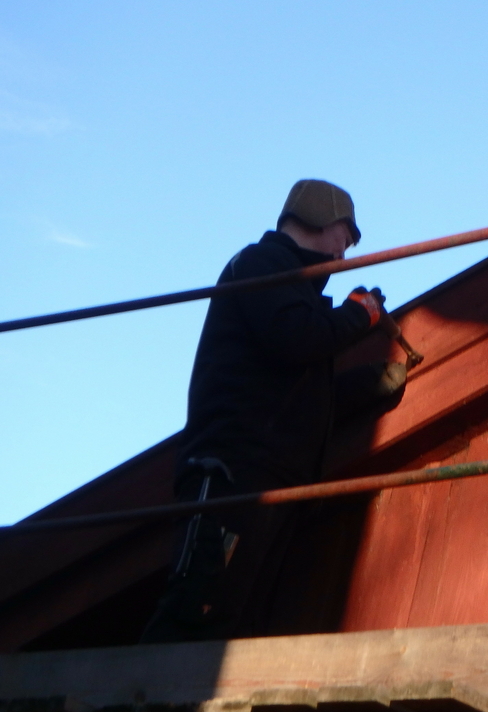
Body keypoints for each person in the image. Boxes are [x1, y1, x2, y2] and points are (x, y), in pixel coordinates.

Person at [141, 179, 407, 643]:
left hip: (275, 481)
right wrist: (359, 314)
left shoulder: (297, 296)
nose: (345, 257)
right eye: (344, 241)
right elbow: (295, 339)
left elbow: (296, 384)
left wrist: (371, 384)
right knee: (196, 610)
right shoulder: (261, 264)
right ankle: (135, 705)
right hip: (232, 472)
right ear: (321, 223)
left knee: (235, 624)